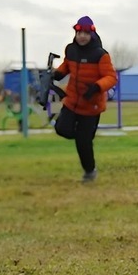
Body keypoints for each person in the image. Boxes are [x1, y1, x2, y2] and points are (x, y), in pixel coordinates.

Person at [51, 16, 117, 183]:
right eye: (80, 33)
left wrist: (97, 87)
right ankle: (84, 137)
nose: (82, 36)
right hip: (72, 101)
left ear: (92, 35)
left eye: (86, 33)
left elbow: (111, 77)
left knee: (83, 143)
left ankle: (90, 171)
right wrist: (57, 74)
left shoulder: (100, 55)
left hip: (91, 105)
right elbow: (67, 66)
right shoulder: (71, 50)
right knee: (61, 129)